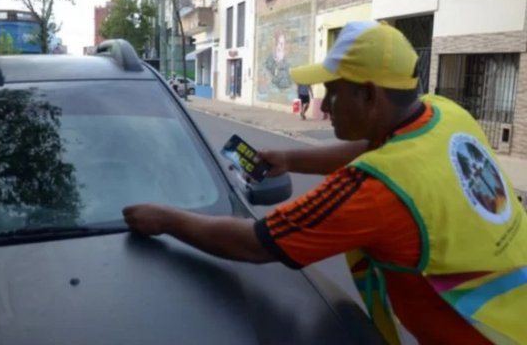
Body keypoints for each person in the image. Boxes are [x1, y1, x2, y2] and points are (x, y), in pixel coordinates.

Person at [123, 21, 527, 344]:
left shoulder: (375, 190)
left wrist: (166, 220)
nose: (324, 106)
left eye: (333, 94)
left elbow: (255, 243)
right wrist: (289, 158)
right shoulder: (445, 113)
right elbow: (376, 148)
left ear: (369, 97)